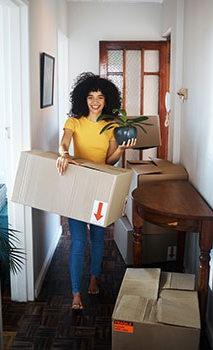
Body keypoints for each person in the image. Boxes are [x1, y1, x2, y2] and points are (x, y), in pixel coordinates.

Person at [56, 72, 136, 310]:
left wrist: (121, 149)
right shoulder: (74, 122)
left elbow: (109, 161)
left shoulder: (111, 125)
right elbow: (64, 142)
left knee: (99, 238)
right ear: (83, 99)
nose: (95, 101)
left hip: (101, 188)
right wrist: (64, 154)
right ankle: (76, 292)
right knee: (79, 242)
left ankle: (94, 278)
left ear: (106, 100)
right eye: (90, 96)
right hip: (78, 189)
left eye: (100, 97)